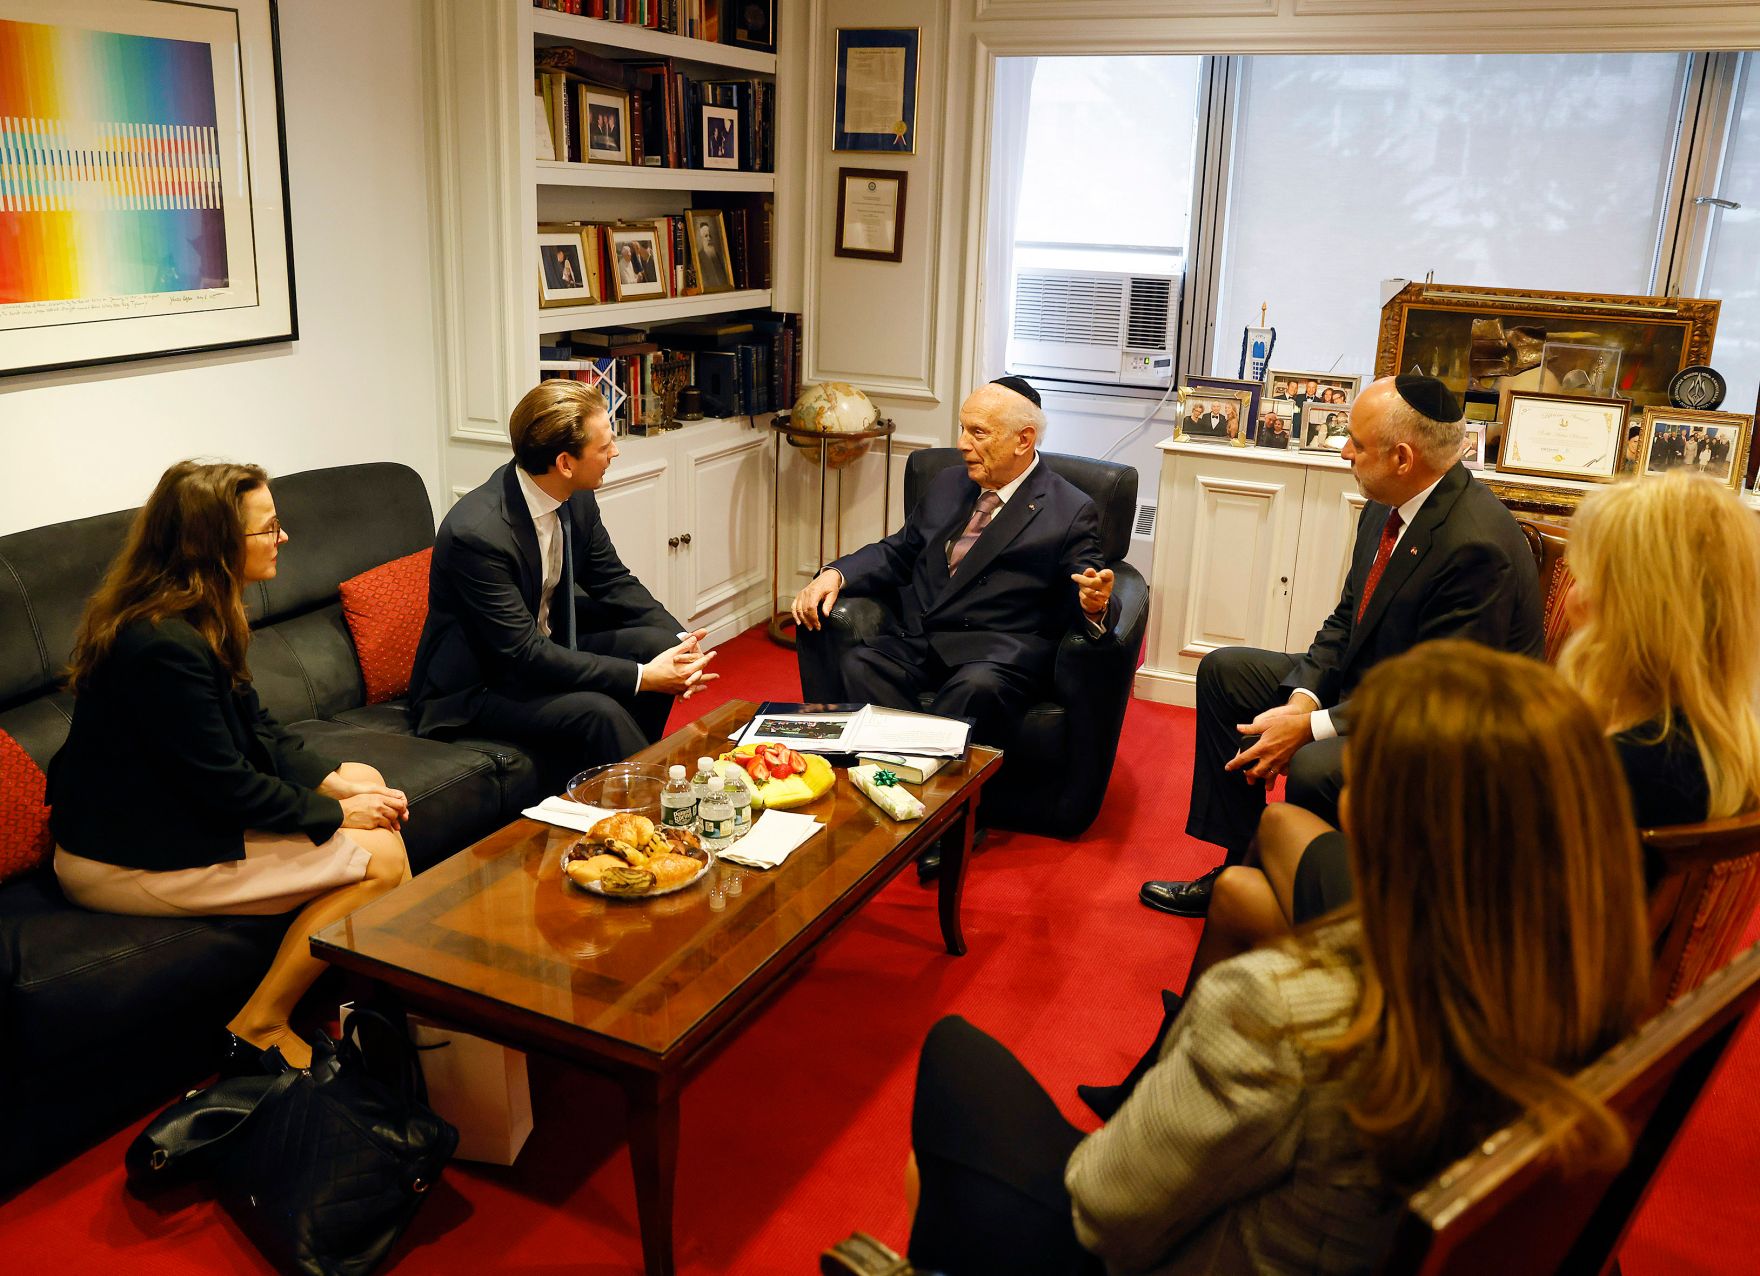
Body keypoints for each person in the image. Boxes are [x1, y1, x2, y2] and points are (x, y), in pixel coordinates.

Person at [832, 644, 1649, 1276]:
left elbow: (1106, 1208)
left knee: (951, 1059)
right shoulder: (1590, 988)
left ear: (1401, 826)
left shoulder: (1285, 1011)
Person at [47, 462, 413, 1073]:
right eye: (269, 528)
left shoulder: (201, 615)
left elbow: (258, 729)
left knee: (371, 782)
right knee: (384, 858)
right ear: (216, 545)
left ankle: (380, 987)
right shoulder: (163, 644)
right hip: (125, 855)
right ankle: (259, 1022)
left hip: (175, 814)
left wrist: (337, 784)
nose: (283, 538)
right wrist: (341, 813)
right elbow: (222, 784)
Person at [1141, 375, 1542, 918]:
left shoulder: (1476, 545)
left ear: (1402, 457)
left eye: (1356, 441)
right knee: (1225, 672)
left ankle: (1312, 908)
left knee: (1316, 766)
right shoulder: (1388, 502)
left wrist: (1310, 728)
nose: (1344, 449)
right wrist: (1305, 698)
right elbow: (1346, 620)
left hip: (1447, 727)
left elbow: (1436, 695)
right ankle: (1243, 866)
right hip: (1381, 688)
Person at [791, 377, 1116, 874]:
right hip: (920, 638)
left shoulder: (1070, 509)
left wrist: (1093, 604)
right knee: (858, 663)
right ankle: (906, 795)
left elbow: (1087, 580)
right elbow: (901, 550)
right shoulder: (948, 482)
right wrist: (836, 572)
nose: (962, 443)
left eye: (978, 432)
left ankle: (948, 817)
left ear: (1022, 440)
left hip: (996, 652)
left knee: (975, 688)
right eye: (963, 428)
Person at [409, 381, 715, 786]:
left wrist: (680, 642)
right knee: (599, 712)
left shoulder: (574, 495)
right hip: (479, 686)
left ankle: (621, 785)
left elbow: (613, 581)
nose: (615, 452)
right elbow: (522, 655)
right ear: (565, 462)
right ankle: (650, 804)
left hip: (547, 648)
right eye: (604, 446)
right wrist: (643, 676)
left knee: (658, 648)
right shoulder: (478, 535)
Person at [694, 219, 732, 292]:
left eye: (710, 235)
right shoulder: (699, 258)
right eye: (706, 236)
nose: (709, 238)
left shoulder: (716, 254)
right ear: (701, 238)